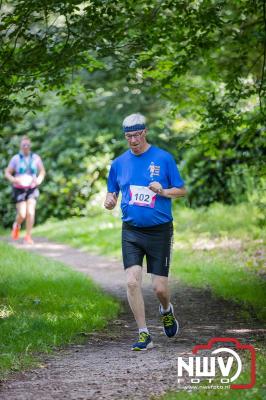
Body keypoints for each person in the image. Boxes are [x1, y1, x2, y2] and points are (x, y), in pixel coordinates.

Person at [104, 113, 186, 351]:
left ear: (145, 132)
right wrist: (109, 200)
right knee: (131, 282)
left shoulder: (163, 158)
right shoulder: (119, 163)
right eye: (129, 136)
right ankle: (144, 334)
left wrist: (163, 191)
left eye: (137, 135)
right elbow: (112, 192)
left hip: (160, 231)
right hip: (131, 231)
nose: (133, 140)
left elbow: (181, 190)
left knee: (159, 288)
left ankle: (166, 310)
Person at [5, 136, 46, 244]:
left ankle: (28, 236)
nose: (26, 147)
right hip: (19, 189)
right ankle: (17, 225)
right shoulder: (16, 159)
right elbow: (7, 172)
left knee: (31, 212)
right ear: (20, 146)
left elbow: (42, 171)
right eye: (24, 145)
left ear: (30, 146)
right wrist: (14, 179)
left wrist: (39, 179)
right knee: (22, 214)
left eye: (27, 145)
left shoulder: (35, 158)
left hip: (32, 189)